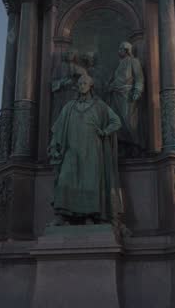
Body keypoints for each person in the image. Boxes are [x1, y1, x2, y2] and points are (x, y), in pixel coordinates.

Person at [48, 74, 121, 224]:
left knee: (90, 182)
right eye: (80, 83)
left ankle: (90, 215)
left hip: (92, 151)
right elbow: (58, 129)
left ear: (91, 86)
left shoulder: (99, 106)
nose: (81, 86)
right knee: (65, 179)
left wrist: (105, 131)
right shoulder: (69, 106)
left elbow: (116, 121)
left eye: (84, 83)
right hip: (71, 150)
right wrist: (54, 146)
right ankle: (62, 216)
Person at [108, 42, 144, 141]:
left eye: (121, 49)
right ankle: (121, 143)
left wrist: (137, 91)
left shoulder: (133, 61)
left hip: (127, 95)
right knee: (115, 120)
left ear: (127, 50)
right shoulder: (119, 64)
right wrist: (111, 86)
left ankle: (134, 143)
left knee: (128, 120)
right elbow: (116, 79)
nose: (119, 51)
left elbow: (139, 78)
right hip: (116, 95)